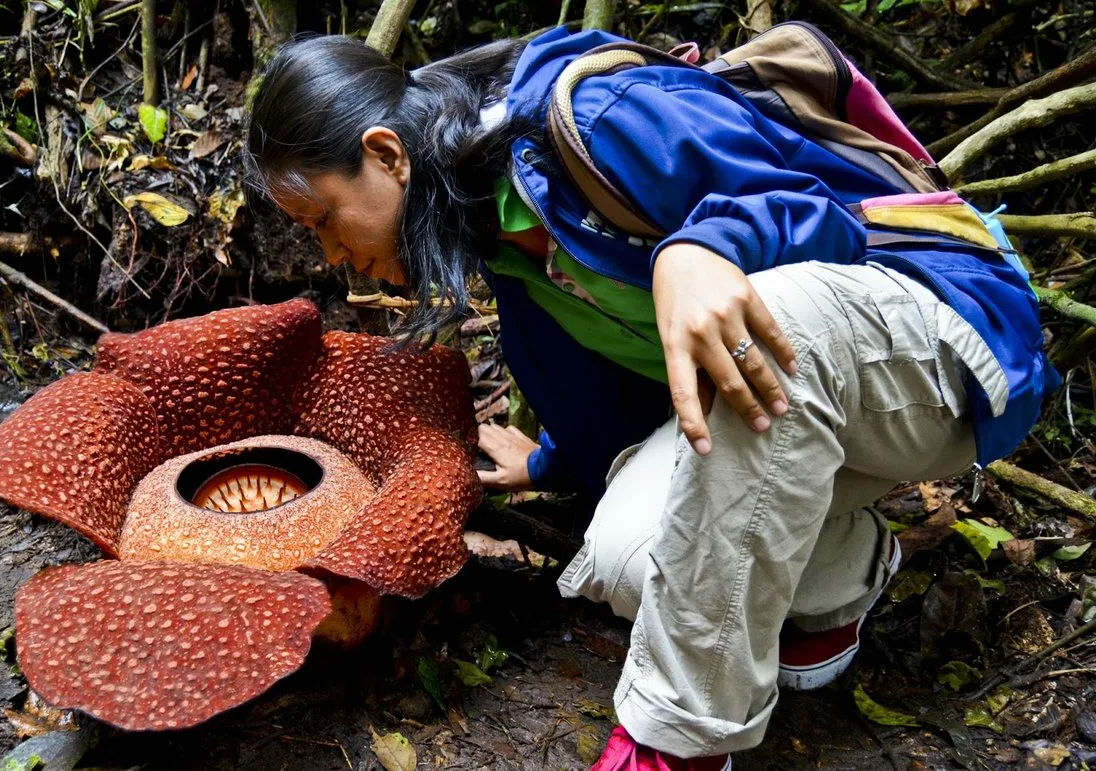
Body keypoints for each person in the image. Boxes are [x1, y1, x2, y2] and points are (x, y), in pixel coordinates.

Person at [245, 26, 1055, 771]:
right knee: (626, 552)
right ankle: (846, 568)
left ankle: (678, 743)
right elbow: (637, 398)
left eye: (323, 218)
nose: (333, 253)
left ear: (386, 154)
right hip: (799, 414)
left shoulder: (594, 114)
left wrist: (704, 247)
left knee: (774, 324)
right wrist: (553, 460)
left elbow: (820, 217)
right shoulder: (499, 238)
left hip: (936, 340)